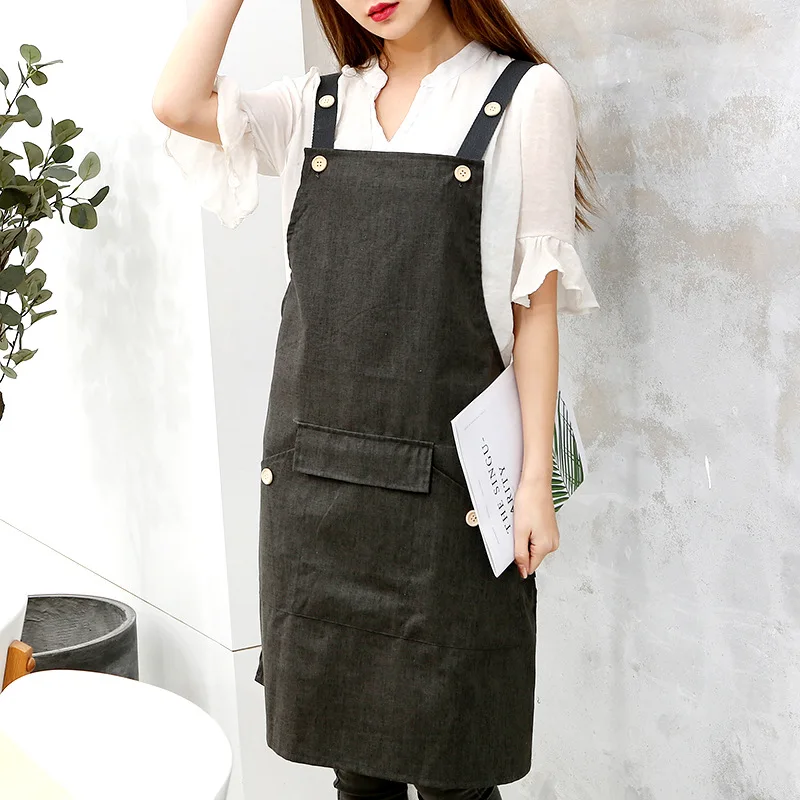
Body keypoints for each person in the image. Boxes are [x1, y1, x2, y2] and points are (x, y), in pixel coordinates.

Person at [153, 1, 600, 798]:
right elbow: (177, 103)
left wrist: (536, 481)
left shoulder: (525, 97)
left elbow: (534, 310)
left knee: (458, 772)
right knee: (355, 776)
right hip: (322, 497)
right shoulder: (316, 105)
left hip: (450, 503)